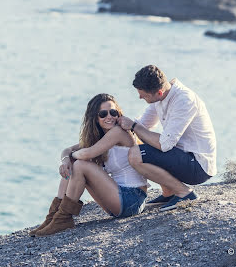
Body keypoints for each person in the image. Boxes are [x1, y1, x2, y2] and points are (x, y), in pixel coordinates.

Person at [30, 93, 149, 237]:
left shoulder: (119, 132)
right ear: (95, 118)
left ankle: (63, 218)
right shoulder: (100, 137)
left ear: (118, 113)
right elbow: (67, 150)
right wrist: (66, 160)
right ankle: (54, 217)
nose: (109, 117)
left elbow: (86, 154)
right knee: (74, 163)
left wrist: (71, 157)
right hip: (117, 200)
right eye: (103, 114)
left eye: (113, 112)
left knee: (79, 164)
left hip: (132, 199)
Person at [118, 65, 217, 211]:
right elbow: (143, 124)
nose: (140, 97)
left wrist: (133, 126)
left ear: (158, 92)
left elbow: (165, 144)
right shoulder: (161, 96)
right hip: (182, 156)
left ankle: (185, 193)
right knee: (141, 137)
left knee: (135, 155)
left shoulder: (184, 100)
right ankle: (169, 193)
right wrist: (117, 124)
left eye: (143, 95)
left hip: (198, 165)